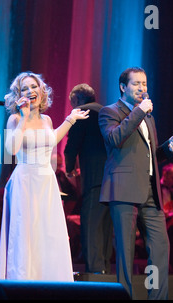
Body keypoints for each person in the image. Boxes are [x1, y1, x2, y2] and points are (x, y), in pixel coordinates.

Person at [0, 71, 89, 281]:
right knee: (25, 235)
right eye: (25, 89)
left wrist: (70, 119)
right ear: (19, 95)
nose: (30, 91)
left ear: (41, 90)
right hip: (25, 181)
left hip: (46, 182)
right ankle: (21, 284)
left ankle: (50, 283)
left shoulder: (47, 119)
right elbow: (11, 149)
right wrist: (24, 117)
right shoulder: (15, 118)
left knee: (48, 234)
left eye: (33, 87)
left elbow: (52, 138)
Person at [98, 67, 173, 300]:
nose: (142, 89)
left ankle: (157, 297)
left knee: (160, 249)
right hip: (123, 190)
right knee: (125, 252)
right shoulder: (109, 112)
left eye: (144, 84)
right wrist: (139, 112)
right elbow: (115, 138)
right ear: (123, 87)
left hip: (150, 192)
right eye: (136, 84)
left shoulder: (148, 117)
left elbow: (148, 156)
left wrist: (166, 149)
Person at [64, 83, 113, 274]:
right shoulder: (108, 112)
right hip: (114, 180)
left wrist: (69, 169)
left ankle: (96, 275)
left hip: (94, 180)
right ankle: (106, 273)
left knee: (91, 228)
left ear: (76, 100)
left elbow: (71, 146)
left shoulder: (81, 113)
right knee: (106, 229)